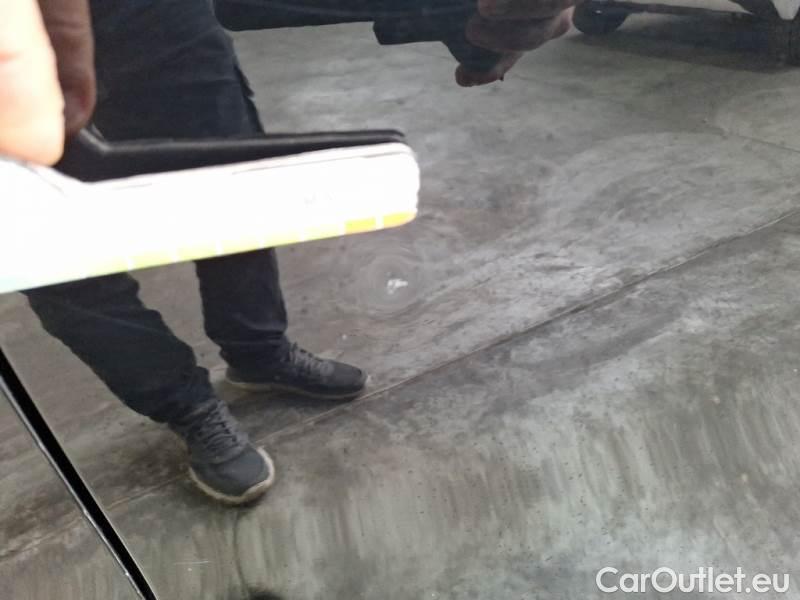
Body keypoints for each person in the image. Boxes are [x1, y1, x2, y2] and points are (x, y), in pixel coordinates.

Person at [1, 0, 574, 505]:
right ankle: (186, 404)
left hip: (150, 17)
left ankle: (258, 351)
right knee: (56, 255)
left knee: (237, 182)